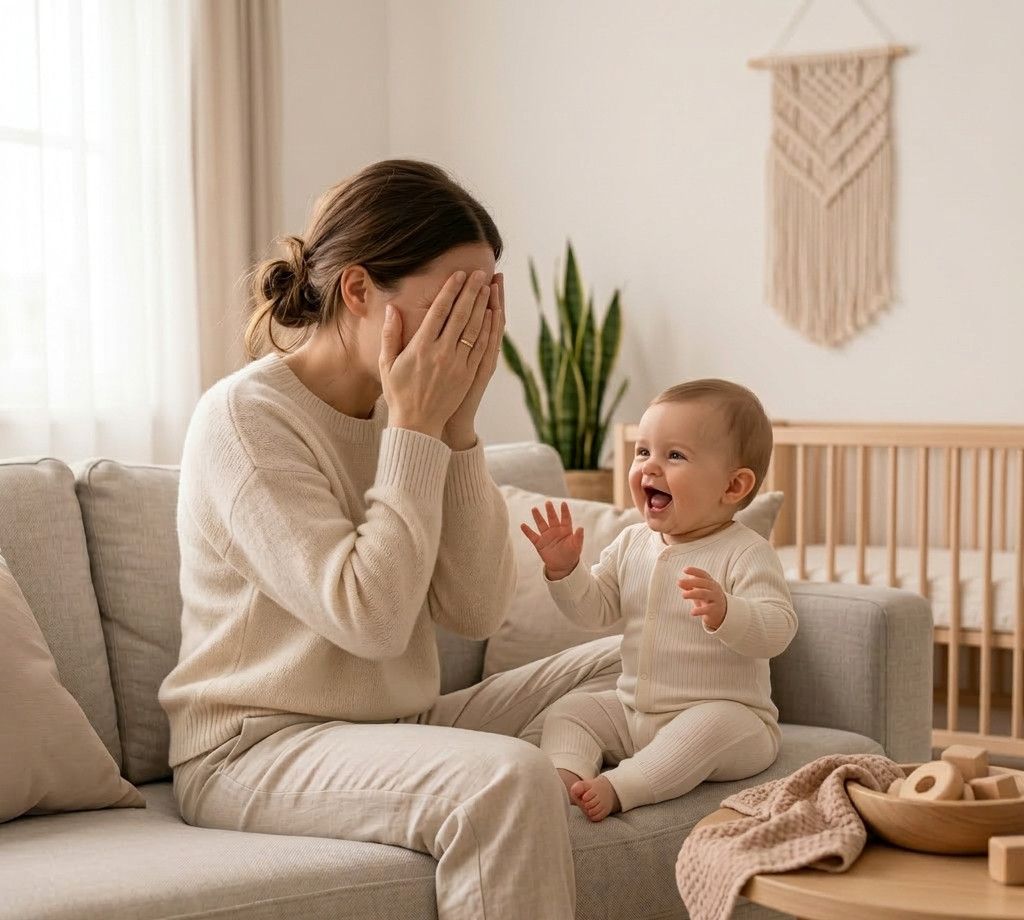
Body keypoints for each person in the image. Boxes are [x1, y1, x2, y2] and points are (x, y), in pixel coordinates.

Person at [158, 159, 621, 920]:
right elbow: (369, 618)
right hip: (254, 749)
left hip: (396, 724)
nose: (468, 335)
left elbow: (473, 610)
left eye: (482, 308)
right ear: (358, 290)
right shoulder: (244, 420)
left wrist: (460, 426)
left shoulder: (415, 414)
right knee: (503, 780)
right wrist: (413, 428)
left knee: (650, 652)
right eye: (451, 307)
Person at [521, 379, 797, 822]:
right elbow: (594, 612)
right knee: (573, 709)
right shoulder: (632, 542)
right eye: (642, 451)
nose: (649, 467)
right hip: (635, 714)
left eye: (674, 455)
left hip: (733, 720)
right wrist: (565, 571)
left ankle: (620, 786)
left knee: (706, 728)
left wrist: (728, 612)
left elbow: (778, 629)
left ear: (734, 486)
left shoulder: (746, 551)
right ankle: (563, 774)